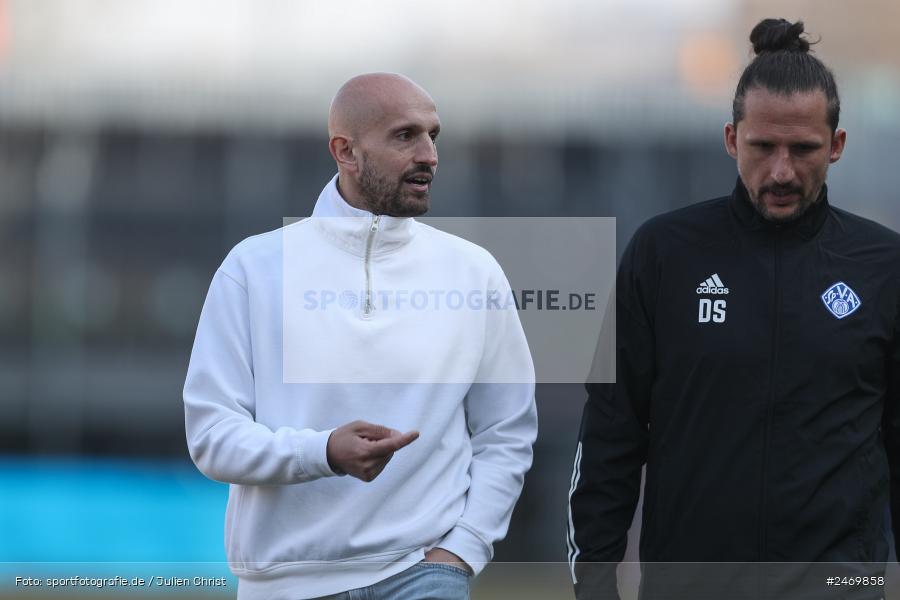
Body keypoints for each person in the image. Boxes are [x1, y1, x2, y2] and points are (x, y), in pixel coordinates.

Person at [567, 18, 900, 600]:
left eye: (804, 150)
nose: (781, 171)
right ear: (730, 139)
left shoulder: (883, 263)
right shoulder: (663, 252)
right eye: (762, 147)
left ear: (838, 146)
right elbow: (610, 434)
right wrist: (595, 583)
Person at [183, 73, 537, 600]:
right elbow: (212, 437)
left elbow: (505, 432)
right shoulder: (253, 268)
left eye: (432, 135)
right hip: (284, 586)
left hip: (423, 575)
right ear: (345, 151)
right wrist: (322, 451)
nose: (429, 156)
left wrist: (463, 550)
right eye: (404, 136)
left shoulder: (474, 271)